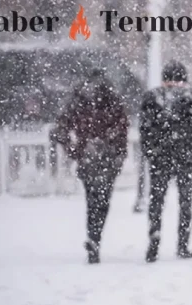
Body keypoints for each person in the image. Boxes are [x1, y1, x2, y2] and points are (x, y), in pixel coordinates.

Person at [51, 68, 128, 264]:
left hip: (88, 157)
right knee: (102, 201)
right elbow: (122, 130)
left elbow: (60, 129)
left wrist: (74, 149)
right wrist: (118, 153)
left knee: (92, 200)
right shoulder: (112, 101)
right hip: (106, 157)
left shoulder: (78, 101)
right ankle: (95, 237)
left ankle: (93, 237)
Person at [139, 60, 192, 263]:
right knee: (185, 201)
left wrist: (150, 152)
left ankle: (154, 239)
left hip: (160, 157)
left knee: (157, 200)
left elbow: (145, 129)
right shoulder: (191, 97)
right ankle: (182, 244)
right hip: (185, 157)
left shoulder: (151, 97)